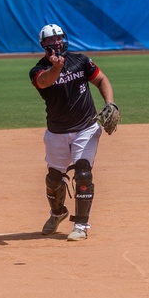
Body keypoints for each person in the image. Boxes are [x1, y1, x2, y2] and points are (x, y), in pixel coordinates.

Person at [29, 23, 115, 241]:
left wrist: (110, 103)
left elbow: (101, 79)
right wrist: (56, 67)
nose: (56, 42)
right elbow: (45, 81)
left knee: (83, 171)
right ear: (43, 45)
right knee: (54, 179)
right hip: (57, 131)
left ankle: (81, 225)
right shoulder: (37, 70)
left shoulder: (81, 61)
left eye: (59, 38)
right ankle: (58, 213)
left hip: (85, 127)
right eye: (51, 40)